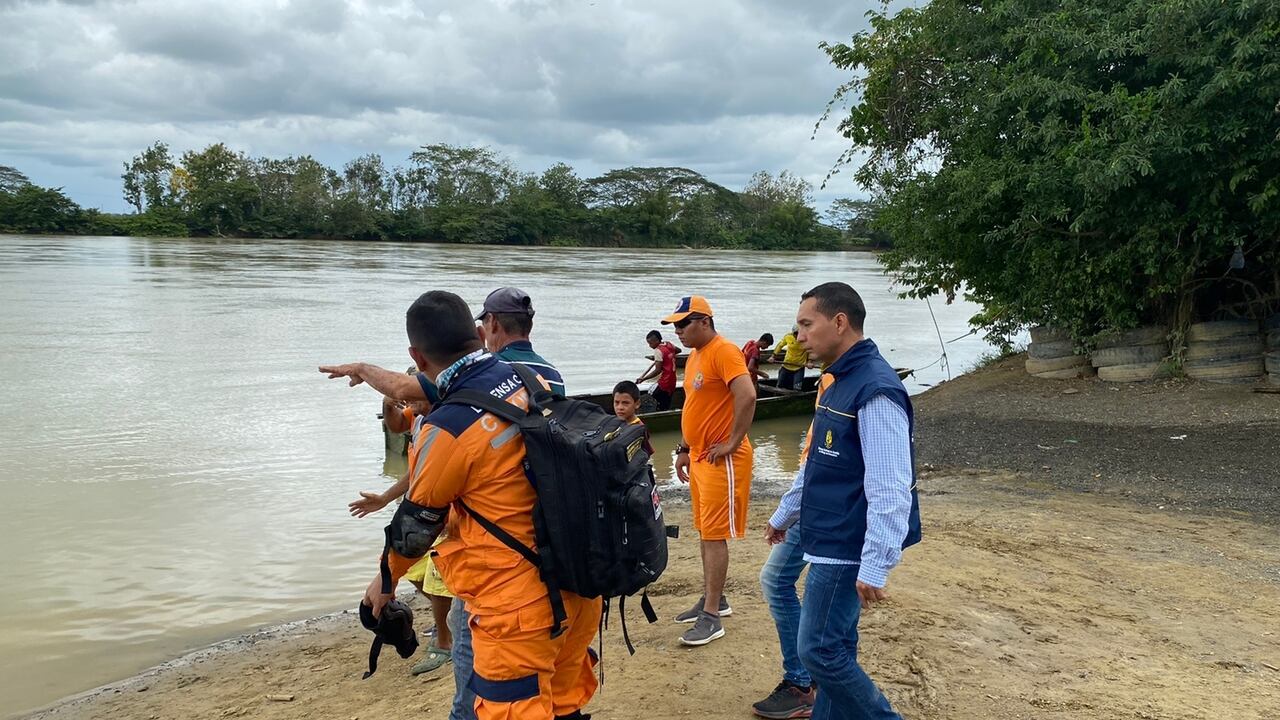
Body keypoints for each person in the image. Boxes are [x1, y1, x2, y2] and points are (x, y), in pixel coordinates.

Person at [321, 287, 565, 720]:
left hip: (513, 601)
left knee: (505, 709)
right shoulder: (529, 378)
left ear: (416, 356)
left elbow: (417, 525)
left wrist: (384, 581)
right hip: (571, 575)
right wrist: (362, 369)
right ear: (476, 332)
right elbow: (406, 386)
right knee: (563, 703)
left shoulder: (449, 429)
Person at [763, 282, 922, 720]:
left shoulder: (875, 389)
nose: (798, 338)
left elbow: (891, 487)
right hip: (828, 530)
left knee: (817, 651)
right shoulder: (839, 380)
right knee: (837, 644)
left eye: (805, 325)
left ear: (839, 322)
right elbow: (819, 464)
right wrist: (785, 513)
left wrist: (876, 561)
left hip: (847, 542)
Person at [662, 295, 756, 646]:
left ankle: (712, 616)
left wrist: (732, 441)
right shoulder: (698, 356)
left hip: (722, 458)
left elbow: (746, 395)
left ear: (704, 321)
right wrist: (685, 448)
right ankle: (714, 599)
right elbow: (695, 403)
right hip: (700, 456)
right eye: (675, 326)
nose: (678, 332)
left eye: (683, 324)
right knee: (705, 530)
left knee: (715, 534)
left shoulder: (724, 350)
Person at [355, 397, 455, 675]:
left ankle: (444, 643)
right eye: (407, 400)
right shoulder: (421, 418)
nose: (411, 406)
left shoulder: (449, 422)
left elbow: (443, 474)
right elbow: (415, 466)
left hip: (441, 518)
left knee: (438, 583)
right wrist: (386, 497)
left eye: (416, 399)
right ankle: (448, 622)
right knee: (416, 572)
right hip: (422, 516)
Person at [637, 330, 679, 411]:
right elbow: (678, 350)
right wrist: (668, 357)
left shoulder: (658, 351)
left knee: (650, 394)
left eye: (650, 343)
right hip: (672, 381)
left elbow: (657, 371)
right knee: (666, 401)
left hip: (665, 382)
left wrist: (644, 379)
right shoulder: (668, 344)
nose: (650, 346)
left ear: (656, 341)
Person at [612, 380, 654, 456]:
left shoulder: (639, 429)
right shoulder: (614, 423)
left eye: (625, 403)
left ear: (637, 404)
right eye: (616, 402)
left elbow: (647, 453)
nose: (620, 407)